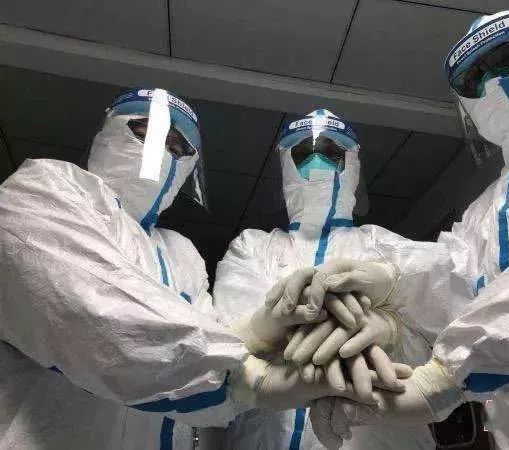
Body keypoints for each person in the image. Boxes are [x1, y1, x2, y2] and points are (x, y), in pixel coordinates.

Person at [306, 9, 509, 449]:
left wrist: (447, 374)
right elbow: (456, 280)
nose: (492, 82)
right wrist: (393, 280)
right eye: (472, 78)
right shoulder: (487, 210)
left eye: (504, 57)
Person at [0, 88, 355, 450]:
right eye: (144, 133)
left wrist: (259, 330)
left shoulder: (180, 254)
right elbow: (94, 312)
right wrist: (247, 379)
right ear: (108, 134)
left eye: (179, 147)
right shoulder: (45, 190)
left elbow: (215, 338)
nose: (162, 153)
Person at [212, 109, 473, 449]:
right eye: (303, 153)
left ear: (352, 165)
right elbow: (227, 347)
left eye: (332, 152)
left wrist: (393, 332)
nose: (317, 161)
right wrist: (268, 325)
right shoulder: (252, 248)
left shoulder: (390, 248)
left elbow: (454, 335)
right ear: (286, 165)